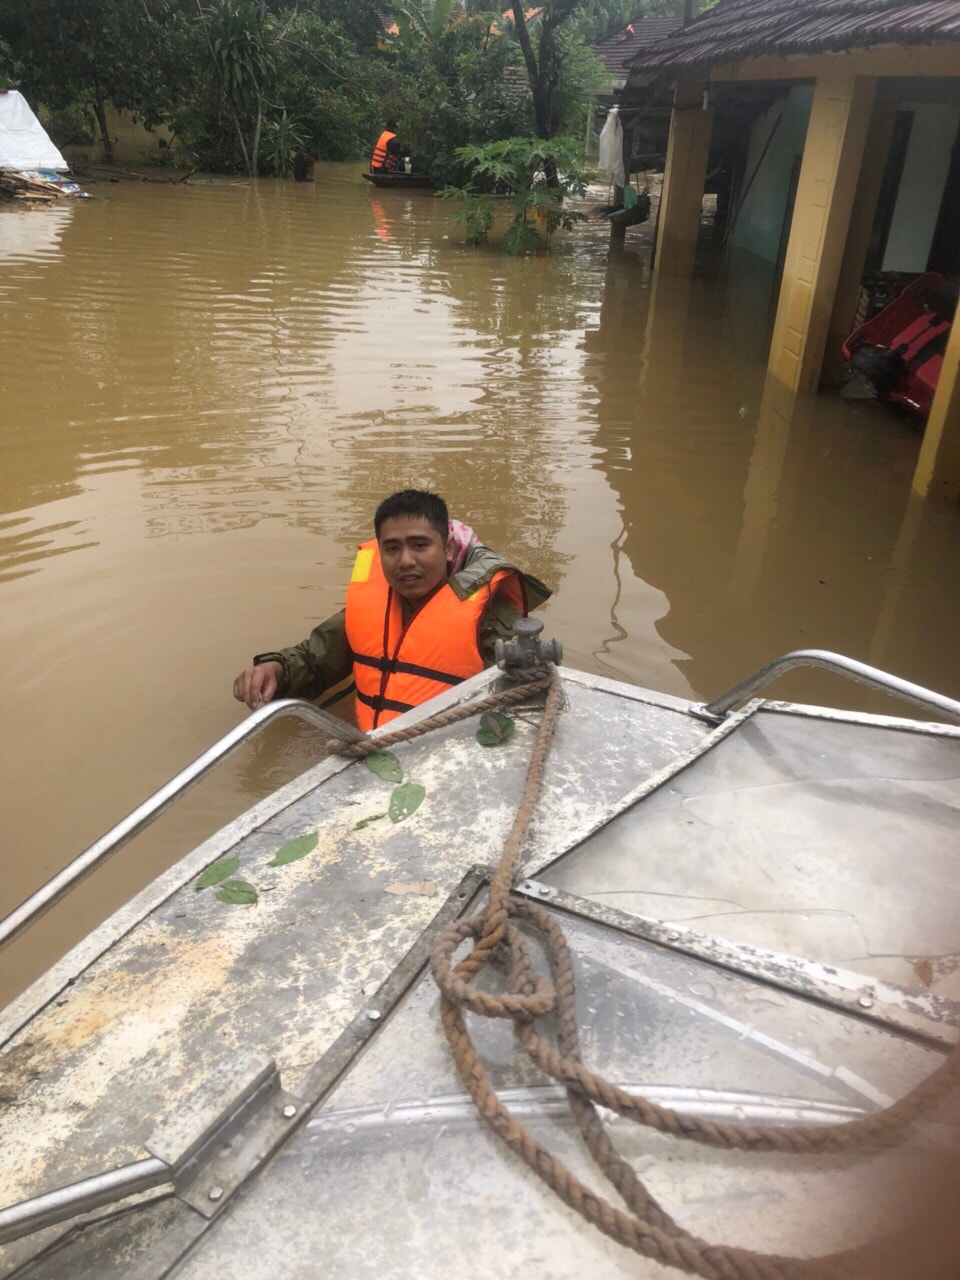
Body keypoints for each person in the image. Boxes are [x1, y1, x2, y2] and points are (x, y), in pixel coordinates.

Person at [233, 490, 550, 731]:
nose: (406, 561)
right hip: (370, 749)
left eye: (420, 545)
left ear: (449, 548)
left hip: (447, 752)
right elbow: (315, 659)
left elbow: (524, 708)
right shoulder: (376, 603)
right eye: (392, 548)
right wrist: (274, 668)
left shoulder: (492, 617)